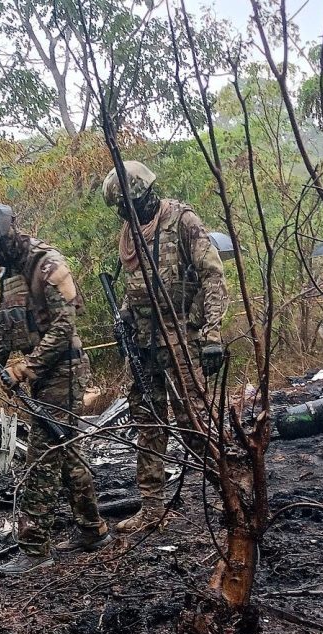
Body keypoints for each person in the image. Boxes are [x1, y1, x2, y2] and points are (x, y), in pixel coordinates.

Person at [0, 201, 113, 574]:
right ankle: (92, 530)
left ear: (7, 236)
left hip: (64, 370)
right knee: (66, 449)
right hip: (41, 374)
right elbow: (1, 330)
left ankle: (35, 548)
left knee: (41, 458)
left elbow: (64, 327)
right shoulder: (9, 275)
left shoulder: (48, 264)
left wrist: (27, 367)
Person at [101, 161, 227, 534]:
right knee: (149, 424)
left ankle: (228, 492)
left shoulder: (183, 221)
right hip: (144, 343)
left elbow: (212, 277)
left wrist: (213, 334)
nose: (125, 213)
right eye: (121, 210)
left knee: (194, 422)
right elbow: (134, 286)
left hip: (181, 340)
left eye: (128, 205)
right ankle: (153, 507)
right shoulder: (130, 234)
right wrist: (123, 317)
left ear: (144, 195)